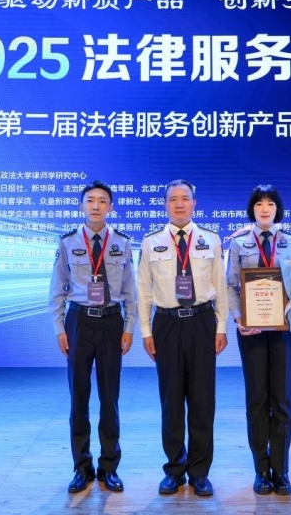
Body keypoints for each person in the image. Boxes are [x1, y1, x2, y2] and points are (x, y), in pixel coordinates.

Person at [137, 179, 229, 497]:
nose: (179, 203)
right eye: (173, 199)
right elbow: (143, 291)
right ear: (165, 205)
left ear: (194, 204)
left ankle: (200, 472)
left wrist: (221, 326)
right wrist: (146, 331)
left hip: (202, 322)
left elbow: (221, 287)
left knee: (203, 401)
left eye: (185, 198)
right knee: (171, 401)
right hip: (166, 324)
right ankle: (175, 469)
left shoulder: (210, 239)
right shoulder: (151, 242)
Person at [49, 180, 136, 494]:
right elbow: (57, 290)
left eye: (102, 201)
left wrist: (129, 327)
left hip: (112, 322)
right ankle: (82, 467)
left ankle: (109, 467)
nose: (96, 205)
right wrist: (60, 328)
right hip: (79, 322)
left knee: (110, 399)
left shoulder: (122, 243)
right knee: (79, 398)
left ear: (110, 207)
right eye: (90, 200)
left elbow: (130, 290)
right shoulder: (67, 242)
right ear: (82, 205)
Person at [226, 184, 291, 496]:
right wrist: (239, 318)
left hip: (286, 329)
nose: (265, 208)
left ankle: (281, 470)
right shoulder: (239, 243)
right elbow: (231, 285)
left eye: (270, 204)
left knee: (283, 401)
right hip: (252, 332)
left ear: (277, 209)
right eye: (259, 203)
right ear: (252, 209)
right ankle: (261, 469)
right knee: (257, 401)